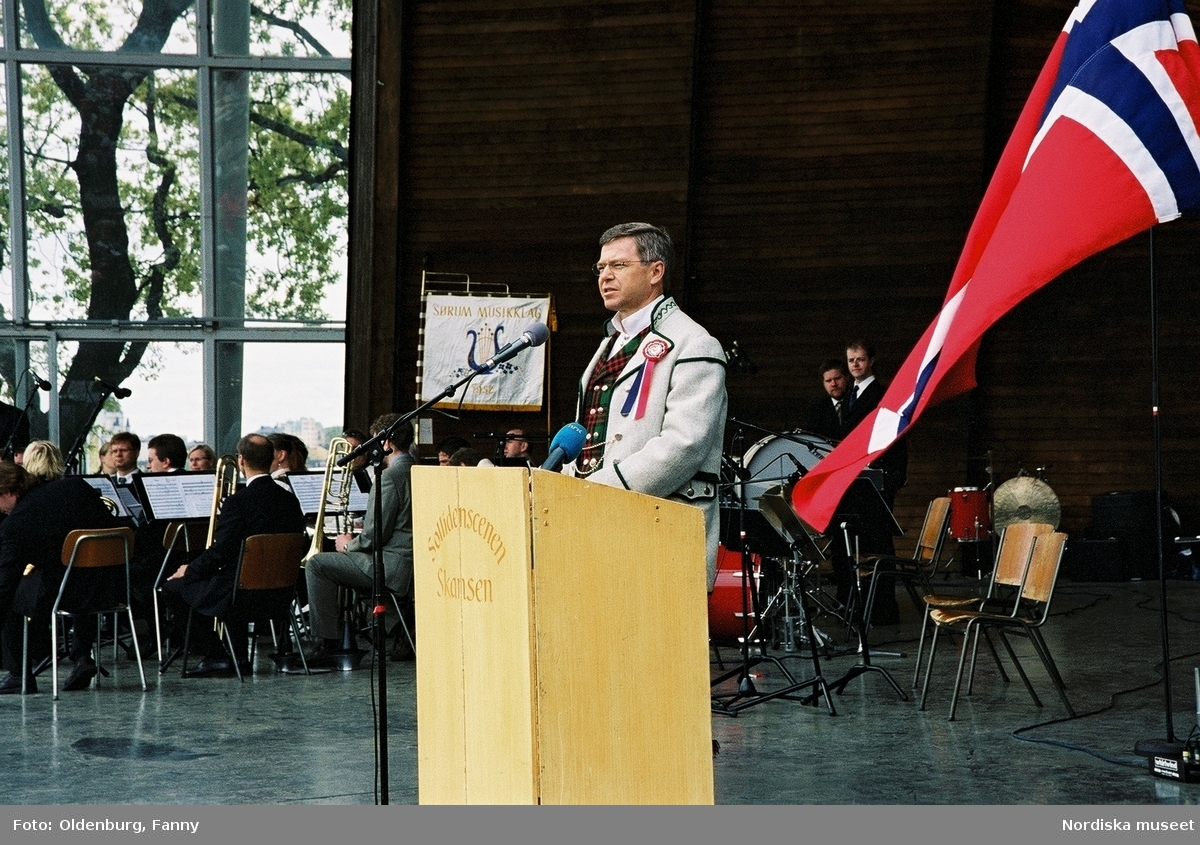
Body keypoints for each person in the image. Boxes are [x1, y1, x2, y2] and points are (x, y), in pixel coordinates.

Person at [567, 222, 727, 588]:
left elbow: (684, 445)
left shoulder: (695, 343)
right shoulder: (611, 341)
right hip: (598, 526)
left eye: (619, 266)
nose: (605, 276)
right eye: (601, 267)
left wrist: (598, 487)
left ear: (656, 271)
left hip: (662, 533)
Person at [163, 433, 306, 676]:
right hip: (281, 595)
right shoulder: (290, 500)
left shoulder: (238, 502)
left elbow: (221, 552)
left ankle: (217, 656)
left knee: (171, 589)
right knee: (225, 578)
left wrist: (191, 568)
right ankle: (236, 657)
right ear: (271, 458)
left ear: (241, 461)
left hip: (241, 596)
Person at [0, 462, 123, 693]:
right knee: (76, 573)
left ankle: (19, 675)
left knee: (14, 596)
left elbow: (5, 583)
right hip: (115, 588)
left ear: (7, 492)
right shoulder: (75, 486)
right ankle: (82, 656)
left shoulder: (14, 525)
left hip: (71, 594)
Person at [305, 415, 415, 667]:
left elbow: (376, 534)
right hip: (409, 562)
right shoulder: (418, 469)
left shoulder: (389, 477)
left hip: (392, 566)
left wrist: (348, 544)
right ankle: (397, 625)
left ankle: (328, 643)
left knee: (318, 565)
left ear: (386, 441)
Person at [805, 359, 852, 442]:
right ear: (823, 383)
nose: (833, 384)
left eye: (837, 378)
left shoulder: (859, 402)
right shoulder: (817, 410)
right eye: (828, 381)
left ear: (847, 377)